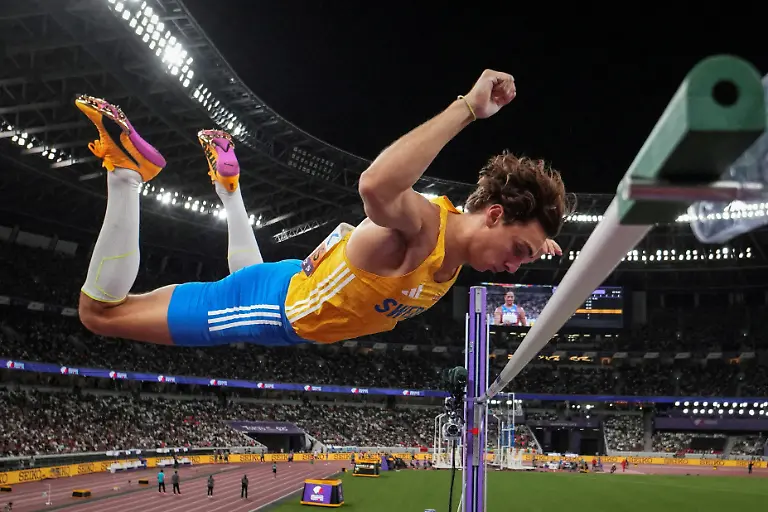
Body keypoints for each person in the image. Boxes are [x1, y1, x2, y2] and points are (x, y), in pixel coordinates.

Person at [74, 68, 570, 348]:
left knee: (246, 271)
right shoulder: (423, 227)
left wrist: (536, 240)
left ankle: (230, 187)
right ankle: (126, 174)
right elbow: (375, 185)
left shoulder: (460, 248)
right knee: (99, 315)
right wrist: (467, 109)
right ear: (495, 215)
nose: (512, 267)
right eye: (516, 251)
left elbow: (487, 229)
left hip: (290, 285)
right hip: (267, 311)